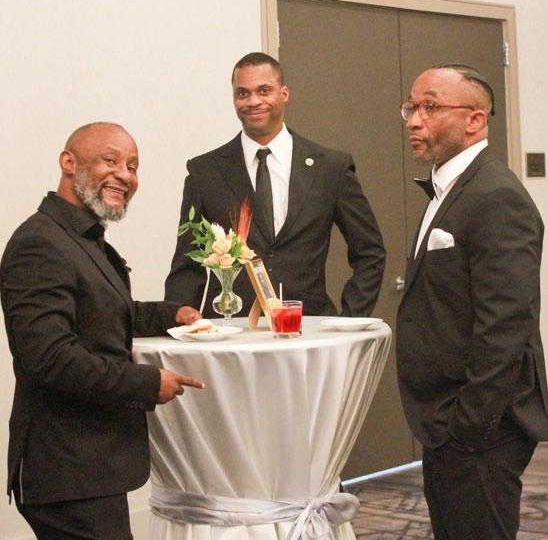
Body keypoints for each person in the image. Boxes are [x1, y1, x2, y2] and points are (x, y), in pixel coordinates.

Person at [0, 122, 205, 540]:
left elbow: (102, 313)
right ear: (68, 162)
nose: (124, 175)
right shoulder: (40, 242)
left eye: (132, 166)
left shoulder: (79, 237)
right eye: (110, 160)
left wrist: (172, 315)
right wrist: (148, 383)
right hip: (66, 470)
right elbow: (50, 358)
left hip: (88, 469)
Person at [396, 64, 548, 539]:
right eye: (411, 107)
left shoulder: (496, 195)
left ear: (475, 120)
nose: (414, 120)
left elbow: (506, 324)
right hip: (448, 421)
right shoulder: (451, 187)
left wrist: (468, 426)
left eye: (430, 107)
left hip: (481, 427)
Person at [165, 52, 385, 317]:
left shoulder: (331, 168)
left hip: (309, 328)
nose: (253, 101)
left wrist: (350, 321)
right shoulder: (205, 172)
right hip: (232, 328)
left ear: (284, 93)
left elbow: (369, 252)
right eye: (242, 93)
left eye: (264, 90)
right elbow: (187, 265)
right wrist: (177, 319)